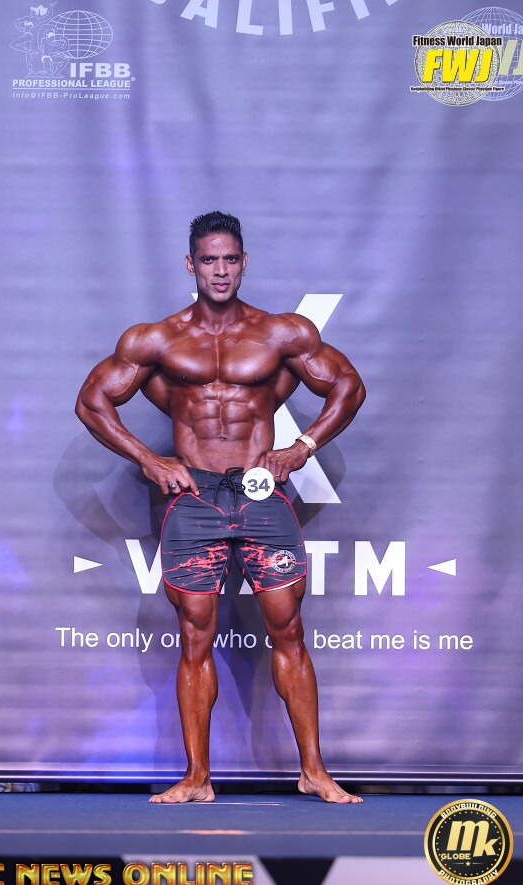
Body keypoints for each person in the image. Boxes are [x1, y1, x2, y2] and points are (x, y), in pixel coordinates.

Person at [76, 212, 366, 804]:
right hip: (194, 496)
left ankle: (314, 771)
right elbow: (92, 401)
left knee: (288, 628)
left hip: (261, 493)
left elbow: (348, 386)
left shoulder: (280, 333)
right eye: (209, 259)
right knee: (194, 634)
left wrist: (301, 448)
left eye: (230, 259)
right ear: (191, 265)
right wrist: (148, 460)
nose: (220, 270)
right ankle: (196, 778)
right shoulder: (156, 339)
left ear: (244, 263)